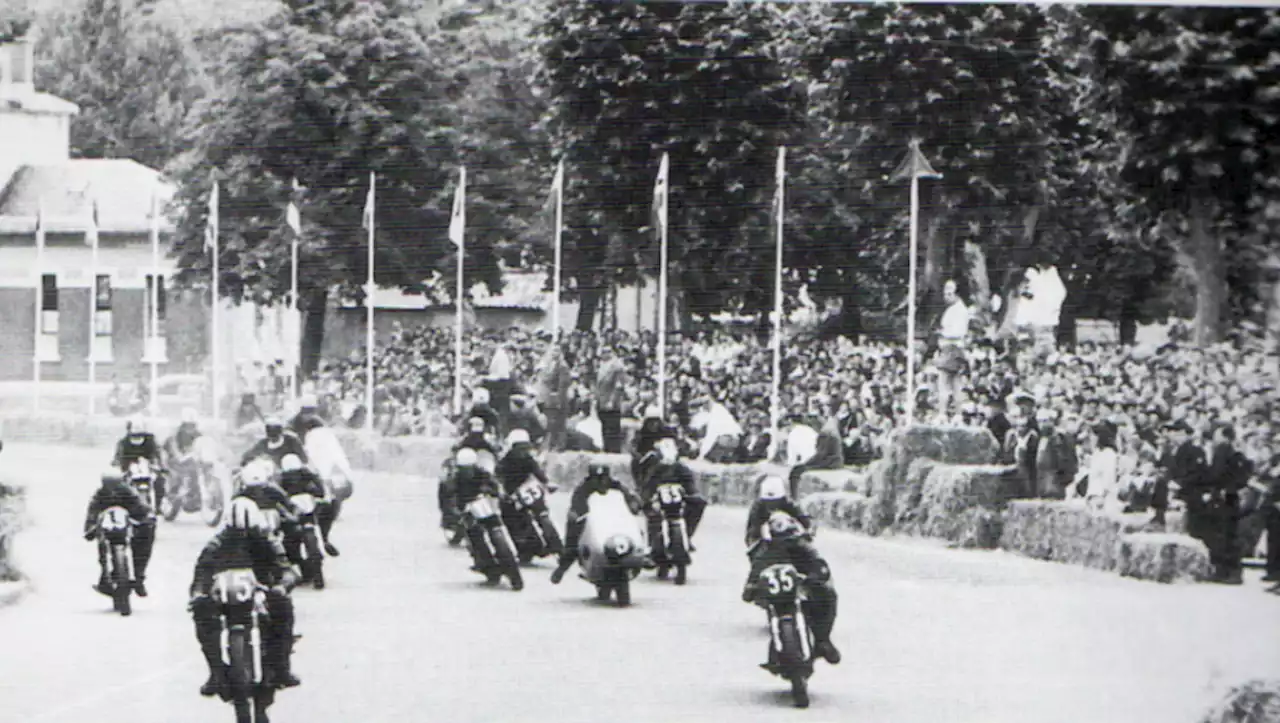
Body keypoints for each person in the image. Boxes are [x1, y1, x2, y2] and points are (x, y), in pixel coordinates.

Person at [188, 497, 301, 698]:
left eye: (247, 531)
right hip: (226, 597)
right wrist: (198, 594)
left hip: (261, 594)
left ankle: (282, 668)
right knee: (201, 613)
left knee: (284, 608)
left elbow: (286, 568)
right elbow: (202, 571)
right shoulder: (217, 543)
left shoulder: (268, 541)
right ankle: (215, 671)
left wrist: (282, 586)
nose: (242, 535)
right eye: (236, 531)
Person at [741, 511, 842, 665]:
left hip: (803, 592)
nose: (784, 543)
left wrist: (816, 577)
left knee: (828, 595)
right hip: (779, 600)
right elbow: (755, 572)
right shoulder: (765, 552)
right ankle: (776, 649)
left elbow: (819, 565)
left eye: (788, 538)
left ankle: (823, 640)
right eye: (778, 538)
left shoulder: (804, 547)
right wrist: (752, 587)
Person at [550, 463, 644, 584]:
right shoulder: (583, 488)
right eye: (596, 478)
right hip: (593, 523)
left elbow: (629, 497)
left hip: (615, 521)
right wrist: (577, 514)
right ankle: (563, 567)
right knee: (573, 540)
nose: (601, 482)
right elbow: (576, 504)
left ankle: (643, 554)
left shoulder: (616, 485)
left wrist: (634, 504)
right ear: (590, 477)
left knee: (637, 529)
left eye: (604, 478)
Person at [83, 468, 157, 598]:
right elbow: (92, 514)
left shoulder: (129, 493)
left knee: (143, 543)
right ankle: (104, 577)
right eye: (108, 485)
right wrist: (90, 528)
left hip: (127, 531)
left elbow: (142, 508)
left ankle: (139, 577)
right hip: (108, 533)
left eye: (115, 484)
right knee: (101, 548)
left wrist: (147, 518)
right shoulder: (99, 495)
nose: (112, 489)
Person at [640, 438, 708, 564]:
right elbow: (647, 486)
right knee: (652, 515)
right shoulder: (654, 469)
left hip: (678, 502)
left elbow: (690, 485)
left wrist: (693, 495)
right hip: (660, 502)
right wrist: (648, 499)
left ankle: (686, 535)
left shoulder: (682, 469)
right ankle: (652, 545)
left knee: (699, 503)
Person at [277, 454, 335, 570]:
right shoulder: (281, 479)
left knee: (329, 509)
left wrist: (319, 495)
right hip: (293, 511)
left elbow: (320, 489)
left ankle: (325, 540)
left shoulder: (307, 474)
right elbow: (278, 494)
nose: (294, 478)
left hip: (308, 507)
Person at [451, 448, 504, 576]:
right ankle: (481, 560)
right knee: (472, 534)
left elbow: (495, 486)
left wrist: (495, 492)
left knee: (497, 526)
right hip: (468, 510)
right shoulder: (455, 479)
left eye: (469, 468)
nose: (467, 471)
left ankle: (505, 548)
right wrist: (455, 508)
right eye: (464, 469)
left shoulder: (482, 473)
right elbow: (450, 495)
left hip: (485, 506)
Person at [744, 476, 813, 550]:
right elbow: (752, 530)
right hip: (766, 542)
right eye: (767, 501)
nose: (771, 504)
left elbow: (802, 518)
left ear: (781, 498)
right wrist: (754, 543)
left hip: (788, 536)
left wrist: (808, 531)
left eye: (775, 501)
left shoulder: (788, 503)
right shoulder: (758, 507)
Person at [113, 414, 167, 510]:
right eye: (134, 436)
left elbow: (158, 453)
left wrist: (161, 465)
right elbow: (118, 455)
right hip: (129, 468)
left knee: (160, 481)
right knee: (118, 485)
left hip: (148, 466)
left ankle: (158, 506)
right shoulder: (123, 442)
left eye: (140, 435)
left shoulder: (151, 439)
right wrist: (117, 462)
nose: (137, 438)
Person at [240, 416, 309, 469]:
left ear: (280, 432)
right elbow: (248, 456)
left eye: (275, 435)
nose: (273, 438)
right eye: (270, 435)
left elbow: (304, 459)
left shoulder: (291, 441)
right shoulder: (263, 444)